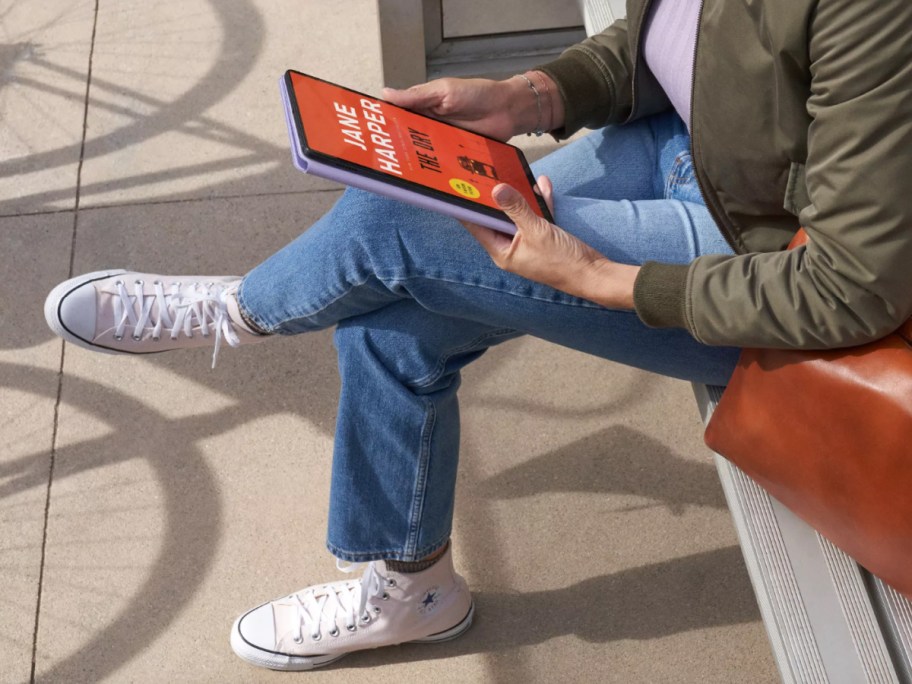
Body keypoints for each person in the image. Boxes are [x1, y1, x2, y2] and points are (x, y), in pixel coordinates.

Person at [43, 0, 912, 672]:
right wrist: (530, 94)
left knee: (397, 227)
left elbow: (852, 285)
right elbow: (682, 46)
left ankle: (243, 313)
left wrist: (599, 278)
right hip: (684, 151)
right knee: (396, 303)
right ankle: (412, 588)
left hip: (756, 261)